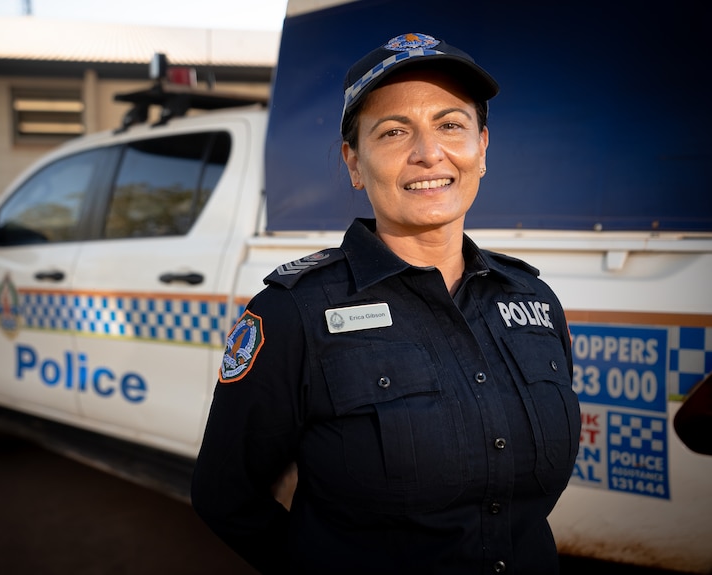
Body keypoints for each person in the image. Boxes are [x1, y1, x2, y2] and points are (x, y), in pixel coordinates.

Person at [191, 32, 580, 575]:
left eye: (451, 125)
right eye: (395, 132)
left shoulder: (533, 301)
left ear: (482, 148)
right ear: (354, 163)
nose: (428, 153)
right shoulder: (293, 314)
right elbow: (225, 495)